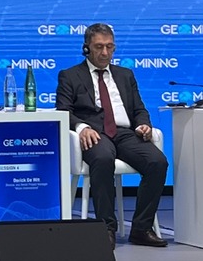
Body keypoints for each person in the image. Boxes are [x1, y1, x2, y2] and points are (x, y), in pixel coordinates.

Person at [56, 23, 168, 247]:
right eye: (99, 47)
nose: (105, 52)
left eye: (109, 47)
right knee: (103, 158)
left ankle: (141, 228)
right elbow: (63, 111)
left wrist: (143, 125)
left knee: (157, 162)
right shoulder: (70, 75)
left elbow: (139, 109)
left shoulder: (125, 75)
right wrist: (81, 127)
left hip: (125, 133)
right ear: (86, 48)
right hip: (94, 134)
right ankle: (106, 228)